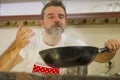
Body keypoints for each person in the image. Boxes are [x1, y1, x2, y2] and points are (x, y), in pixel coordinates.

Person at [0, 0, 120, 76]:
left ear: (65, 22)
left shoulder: (74, 43)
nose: (57, 20)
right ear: (42, 23)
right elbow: (2, 69)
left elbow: (100, 57)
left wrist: (111, 51)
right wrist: (15, 46)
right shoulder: (30, 42)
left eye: (61, 16)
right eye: (51, 16)